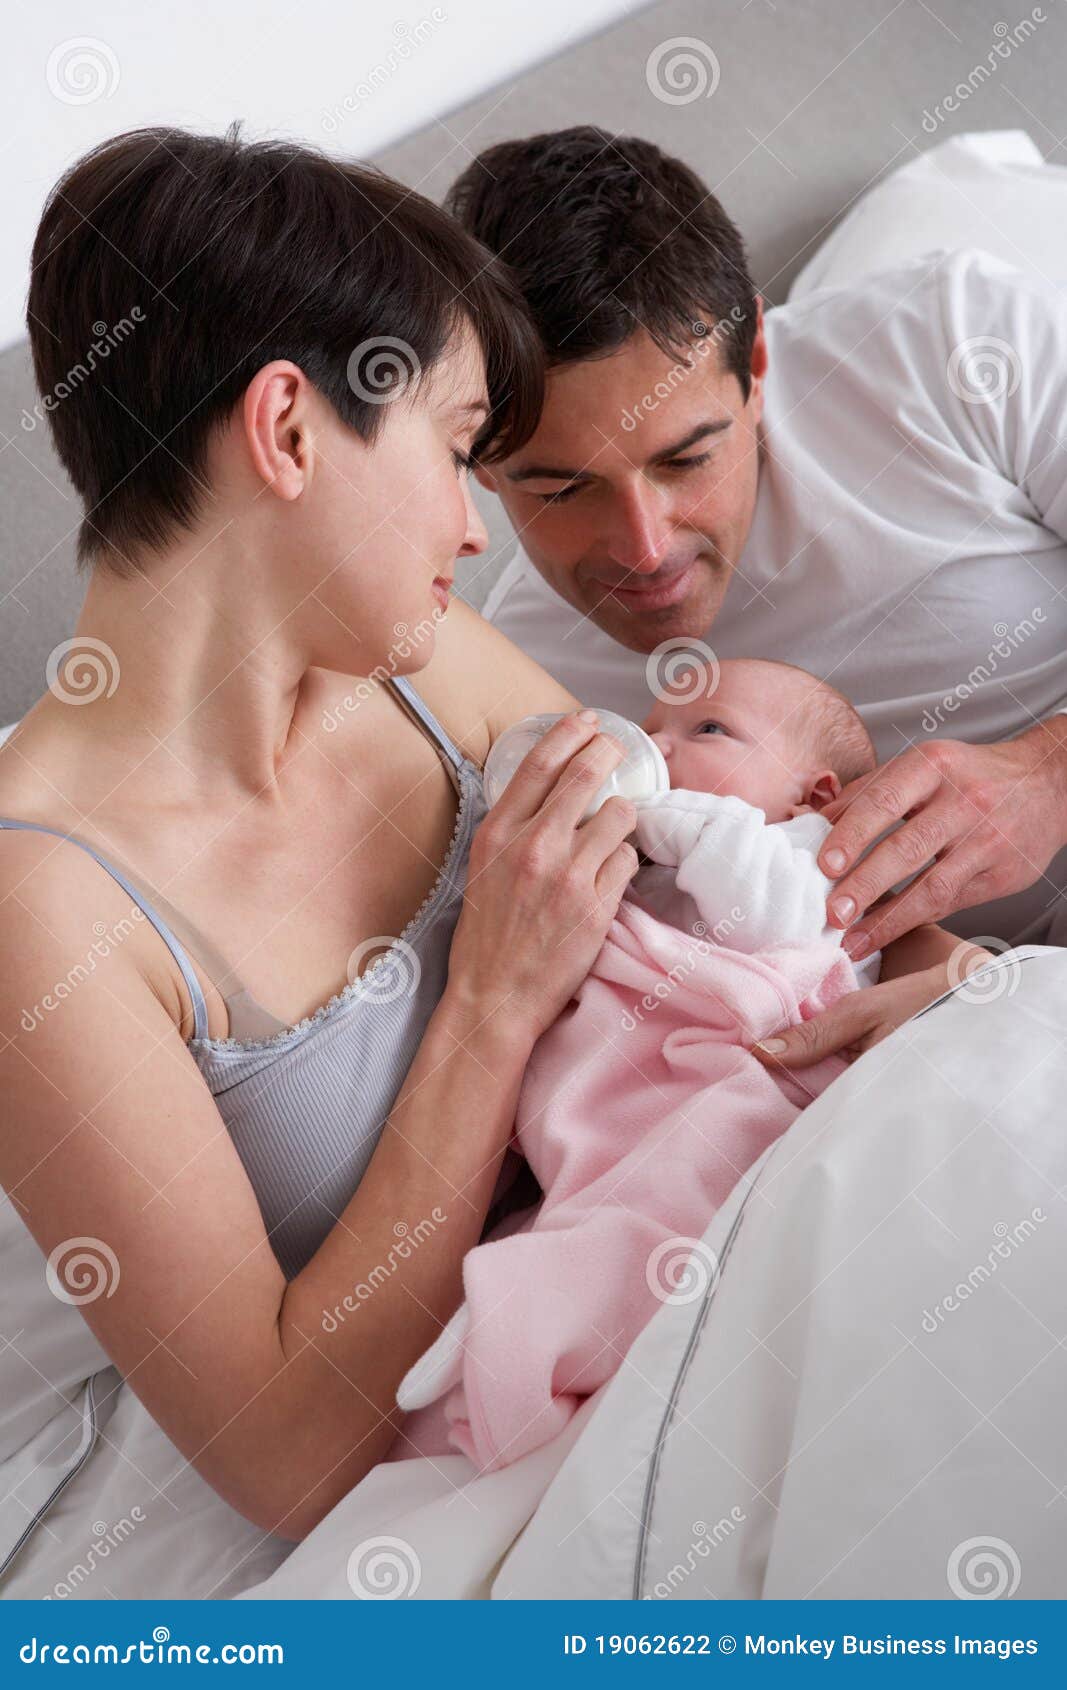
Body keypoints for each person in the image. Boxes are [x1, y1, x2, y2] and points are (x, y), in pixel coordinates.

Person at [0, 126, 641, 1597]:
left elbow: (688, 883)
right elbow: (284, 1454)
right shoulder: (44, 905)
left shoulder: (416, 660)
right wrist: (487, 1004)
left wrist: (923, 973)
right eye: (454, 447)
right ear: (288, 429)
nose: (471, 530)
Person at [447, 127, 1067, 1070]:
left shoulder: (950, 344)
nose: (645, 550)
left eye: (686, 459)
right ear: (477, 458)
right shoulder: (529, 691)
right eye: (563, 489)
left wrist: (1048, 773)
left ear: (760, 361)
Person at [395, 655, 991, 1471]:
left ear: (811, 796)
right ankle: (518, 1354)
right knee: (581, 1222)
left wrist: (647, 812)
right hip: (607, 1121)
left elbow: (767, 912)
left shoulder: (803, 858)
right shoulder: (658, 873)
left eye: (708, 729)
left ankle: (528, 1341)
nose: (657, 749)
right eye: (652, 731)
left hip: (726, 1101)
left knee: (652, 1228)